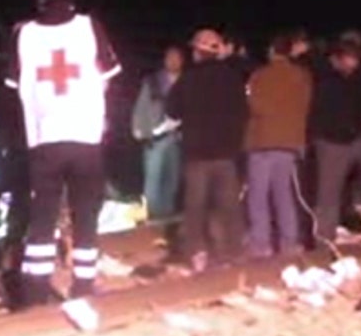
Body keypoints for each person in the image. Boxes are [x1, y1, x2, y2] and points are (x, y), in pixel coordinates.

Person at [5, 0, 121, 305]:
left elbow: (12, 85)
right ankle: (83, 286)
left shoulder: (22, 34)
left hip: (43, 139)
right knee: (86, 213)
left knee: (43, 215)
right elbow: (110, 72)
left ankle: (35, 292)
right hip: (85, 138)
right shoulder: (90, 27)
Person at [166, 28, 249, 273]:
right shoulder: (233, 78)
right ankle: (233, 253)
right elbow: (243, 113)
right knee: (229, 207)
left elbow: (172, 111)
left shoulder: (188, 79)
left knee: (195, 207)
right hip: (226, 154)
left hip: (197, 155)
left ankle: (197, 253)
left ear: (199, 52)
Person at [309, 39, 361, 244]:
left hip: (358, 137)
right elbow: (314, 112)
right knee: (329, 193)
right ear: (337, 58)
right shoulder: (322, 78)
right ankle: (324, 239)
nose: (354, 63)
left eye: (356, 59)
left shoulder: (360, 78)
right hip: (331, 141)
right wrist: (316, 136)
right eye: (350, 59)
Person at [244, 33, 312, 258]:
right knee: (284, 195)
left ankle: (260, 244)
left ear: (272, 51)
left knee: (259, 196)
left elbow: (252, 105)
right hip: (289, 143)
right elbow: (305, 105)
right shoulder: (302, 77)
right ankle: (289, 243)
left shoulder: (259, 76)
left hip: (262, 142)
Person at [131, 46, 185, 222]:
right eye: (170, 57)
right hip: (155, 136)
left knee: (173, 177)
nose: (173, 61)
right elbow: (141, 105)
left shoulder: (187, 81)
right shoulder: (153, 81)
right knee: (153, 178)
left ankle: (166, 214)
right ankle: (152, 215)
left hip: (178, 137)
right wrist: (137, 128)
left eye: (176, 58)